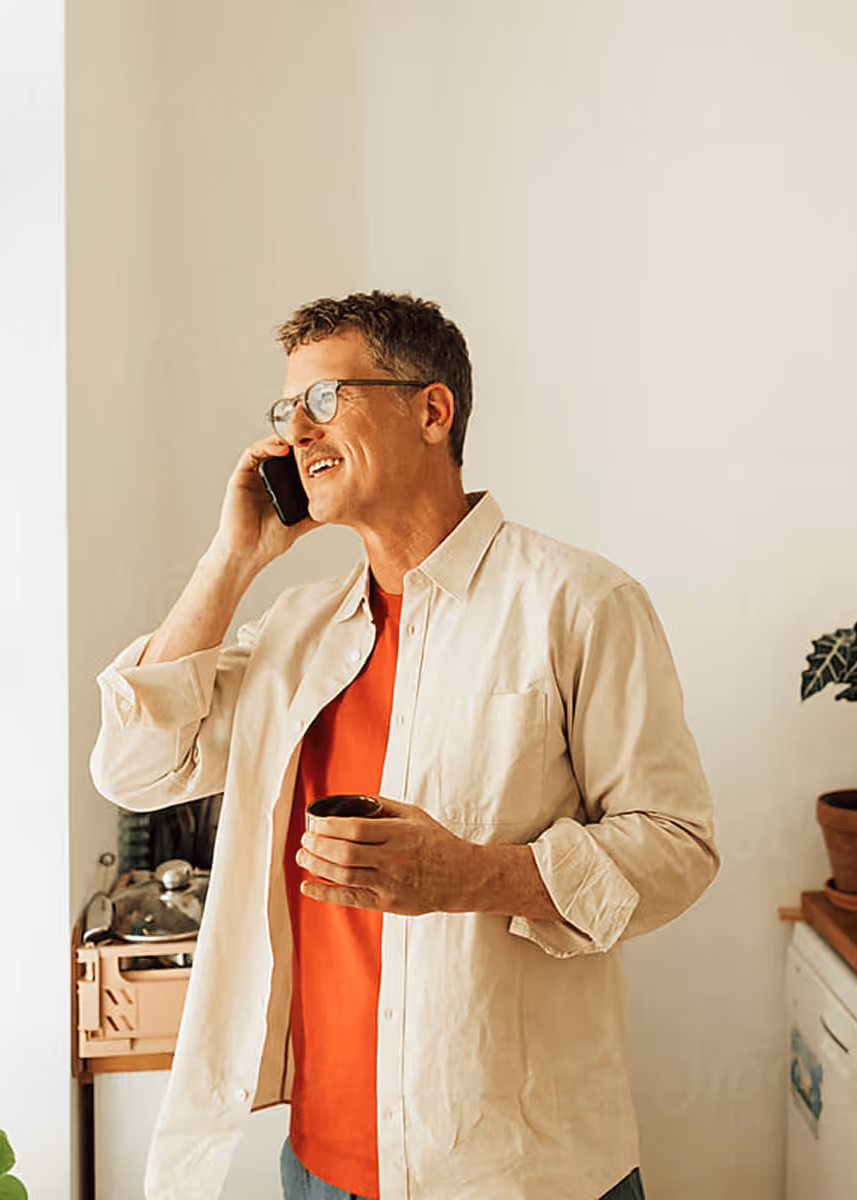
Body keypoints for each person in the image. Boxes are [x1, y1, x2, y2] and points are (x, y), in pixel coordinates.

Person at [91, 290, 719, 1200]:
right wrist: (233, 560)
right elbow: (135, 764)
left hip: (514, 1172)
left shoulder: (579, 603)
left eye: (324, 399)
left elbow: (678, 849)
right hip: (317, 1166)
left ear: (433, 409)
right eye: (285, 411)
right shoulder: (296, 630)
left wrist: (471, 875)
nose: (297, 434)